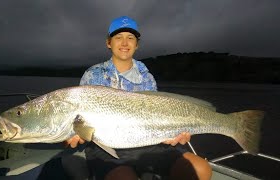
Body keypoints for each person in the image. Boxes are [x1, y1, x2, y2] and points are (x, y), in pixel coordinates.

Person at [66, 16, 212, 180]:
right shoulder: (92, 75)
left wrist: (172, 135)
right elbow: (80, 119)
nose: (124, 43)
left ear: (137, 44)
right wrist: (74, 132)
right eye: (118, 37)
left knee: (201, 170)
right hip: (105, 147)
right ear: (109, 42)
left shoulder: (147, 78)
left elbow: (157, 118)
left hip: (148, 143)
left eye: (130, 38)